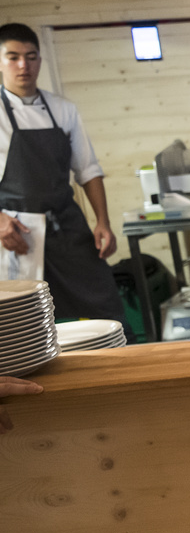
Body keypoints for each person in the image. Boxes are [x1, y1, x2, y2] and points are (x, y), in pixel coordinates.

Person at [0, 23, 125, 324]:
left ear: (40, 60)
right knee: (26, 321)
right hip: (17, 234)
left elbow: (88, 170)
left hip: (66, 226)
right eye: (13, 56)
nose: (23, 65)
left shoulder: (63, 109)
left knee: (106, 309)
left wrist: (103, 222)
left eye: (31, 57)